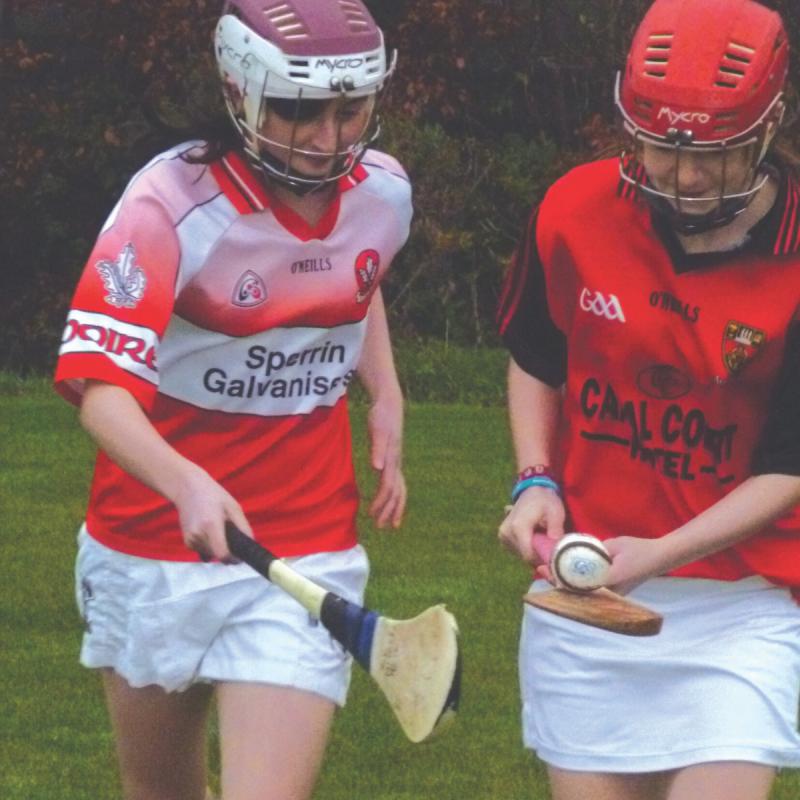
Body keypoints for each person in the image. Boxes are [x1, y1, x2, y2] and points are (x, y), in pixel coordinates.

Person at [54, 1, 410, 798]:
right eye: (299, 111)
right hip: (150, 545)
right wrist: (185, 481)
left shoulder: (383, 192)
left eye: (350, 110)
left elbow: (359, 275)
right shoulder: (166, 206)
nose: (330, 138)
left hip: (305, 542)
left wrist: (384, 390)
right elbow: (98, 389)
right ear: (239, 90)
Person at [497, 0, 800, 798]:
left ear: (770, 125)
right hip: (584, 602)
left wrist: (656, 556)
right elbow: (537, 359)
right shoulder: (574, 210)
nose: (688, 176)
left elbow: (791, 466)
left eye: (719, 154)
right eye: (663, 149)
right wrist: (535, 480)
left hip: (741, 606)